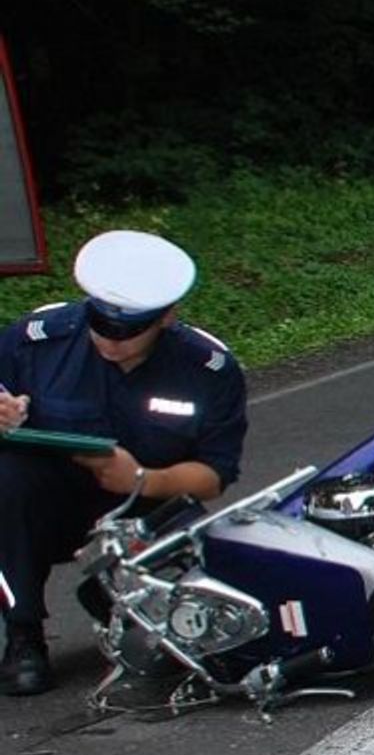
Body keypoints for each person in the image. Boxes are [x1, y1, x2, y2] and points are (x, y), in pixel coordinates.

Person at [0, 229, 248, 696]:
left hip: (145, 502)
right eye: (100, 324)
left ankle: (121, 602)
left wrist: (141, 478)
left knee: (190, 642)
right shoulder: (35, 341)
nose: (110, 341)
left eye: (129, 330)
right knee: (5, 481)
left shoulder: (207, 368)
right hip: (45, 500)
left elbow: (214, 476)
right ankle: (23, 632)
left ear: (167, 317)